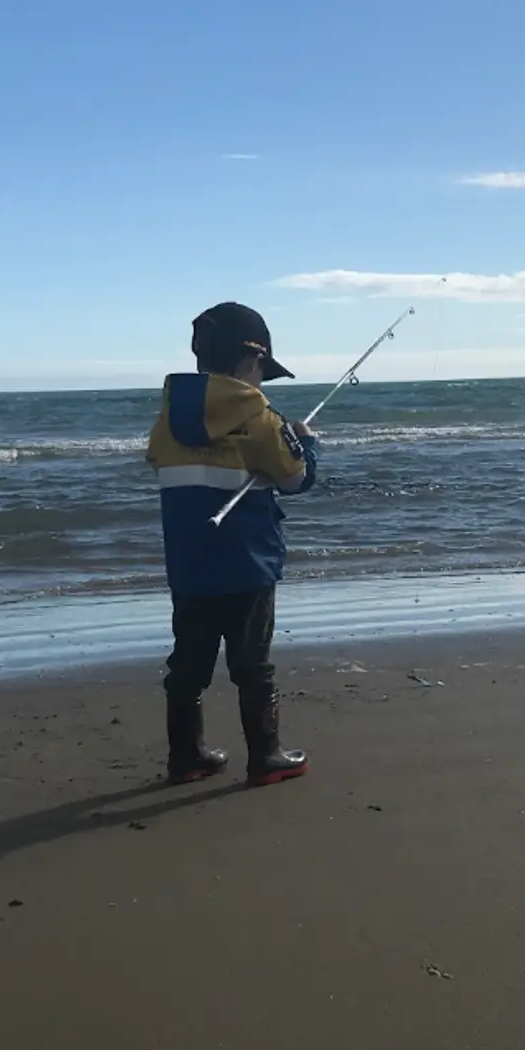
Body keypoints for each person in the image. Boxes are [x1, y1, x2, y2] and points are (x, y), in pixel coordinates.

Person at [145, 302, 319, 786]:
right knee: (252, 663)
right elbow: (296, 478)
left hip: (190, 562)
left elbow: (157, 459)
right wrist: (305, 441)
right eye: (263, 370)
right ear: (250, 362)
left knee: (188, 665)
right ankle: (267, 756)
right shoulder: (260, 416)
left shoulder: (170, 416)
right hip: (248, 563)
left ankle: (187, 755)